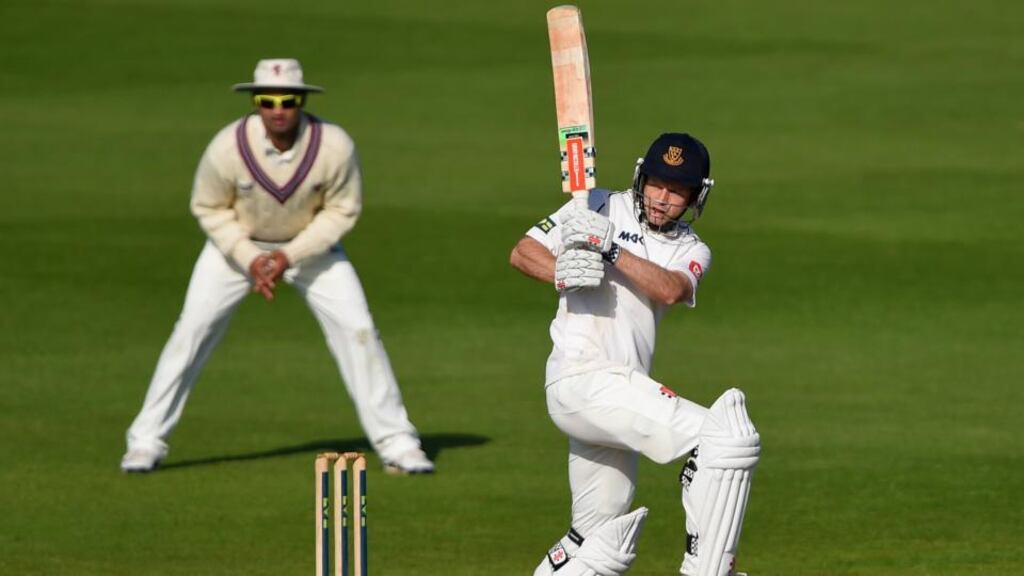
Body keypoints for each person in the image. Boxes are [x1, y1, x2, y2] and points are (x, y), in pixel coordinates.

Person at [120, 58, 434, 476]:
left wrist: (288, 256)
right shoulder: (227, 147)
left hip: (311, 251)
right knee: (191, 332)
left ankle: (398, 443)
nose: (278, 108)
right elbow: (209, 208)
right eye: (267, 100)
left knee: (359, 330)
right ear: (256, 103)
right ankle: (145, 442)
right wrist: (252, 259)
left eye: (288, 100)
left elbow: (342, 211)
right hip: (234, 251)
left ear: (301, 100)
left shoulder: (334, 145)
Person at [510, 133, 760, 576]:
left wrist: (610, 249)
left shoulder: (692, 248)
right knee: (726, 438)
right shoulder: (595, 204)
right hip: (582, 376)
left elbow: (670, 288)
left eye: (677, 191)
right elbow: (523, 252)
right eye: (656, 185)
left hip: (615, 397)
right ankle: (710, 569)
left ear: (696, 196)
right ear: (641, 178)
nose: (662, 199)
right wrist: (561, 272)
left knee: (595, 544)